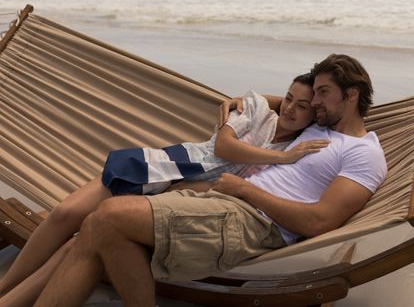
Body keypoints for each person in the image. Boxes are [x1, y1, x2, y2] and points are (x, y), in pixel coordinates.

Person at [33, 54, 388, 307]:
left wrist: (245, 189)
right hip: (220, 202)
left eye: (324, 92)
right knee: (97, 227)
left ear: (351, 95)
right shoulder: (317, 124)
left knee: (108, 217)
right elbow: (288, 104)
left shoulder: (364, 153)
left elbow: (319, 221)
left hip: (252, 221)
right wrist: (243, 102)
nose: (316, 101)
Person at [0, 74, 325, 307]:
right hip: (166, 166)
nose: (292, 108)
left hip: (180, 198)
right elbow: (225, 147)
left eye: (303, 106)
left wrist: (288, 153)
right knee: (65, 212)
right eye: (289, 98)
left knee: (76, 245)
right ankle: (4, 287)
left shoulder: (303, 145)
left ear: (315, 114)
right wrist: (280, 152)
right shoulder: (257, 111)